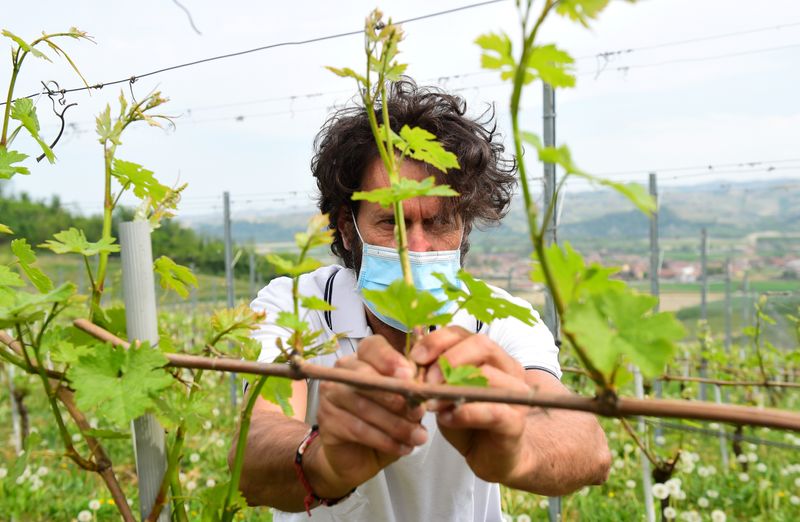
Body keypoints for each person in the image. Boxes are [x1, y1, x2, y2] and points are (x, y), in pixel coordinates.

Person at [231, 79, 611, 521]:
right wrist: (322, 461)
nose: (417, 249)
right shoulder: (298, 306)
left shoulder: (497, 319)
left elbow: (588, 447)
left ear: (465, 227)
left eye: (439, 222)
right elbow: (253, 446)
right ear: (348, 227)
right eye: (391, 222)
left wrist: (517, 451)